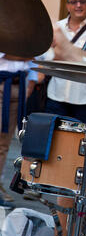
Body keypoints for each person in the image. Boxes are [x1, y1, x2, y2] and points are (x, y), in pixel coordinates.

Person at [0, 54, 35, 207]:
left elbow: (35, 59)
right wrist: (22, 56)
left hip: (19, 86)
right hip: (2, 84)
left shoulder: (30, 33)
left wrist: (29, 88)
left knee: (3, 144)